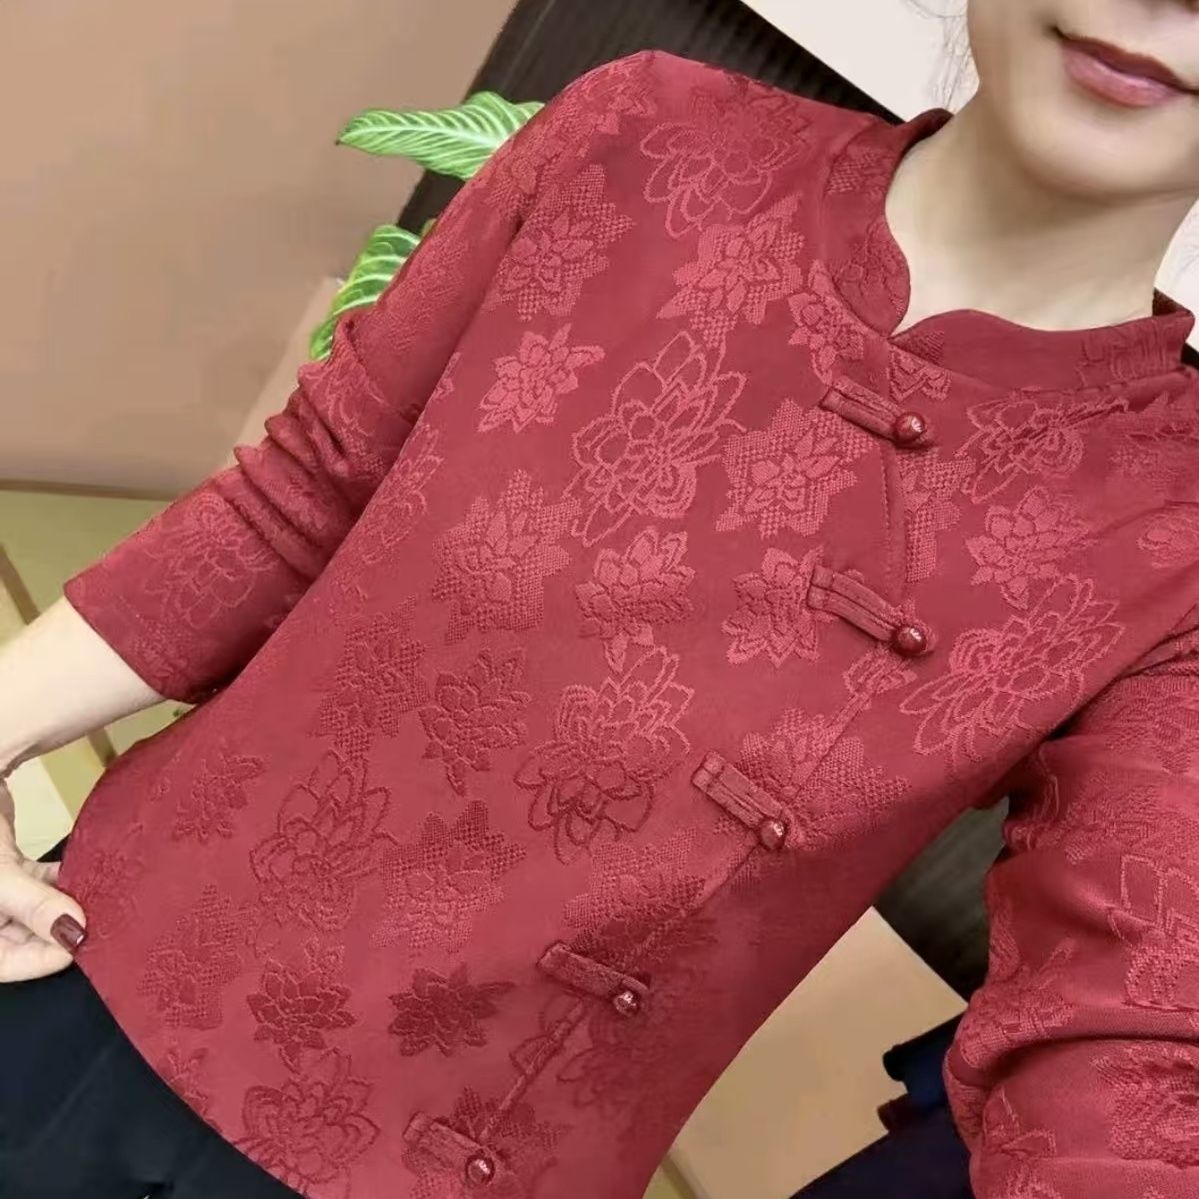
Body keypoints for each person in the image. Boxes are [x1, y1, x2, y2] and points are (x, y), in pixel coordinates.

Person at [3, 1, 1199, 1195]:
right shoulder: (644, 137)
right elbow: (305, 496)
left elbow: (1126, 1018)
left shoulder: (1172, 525)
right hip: (80, 962)